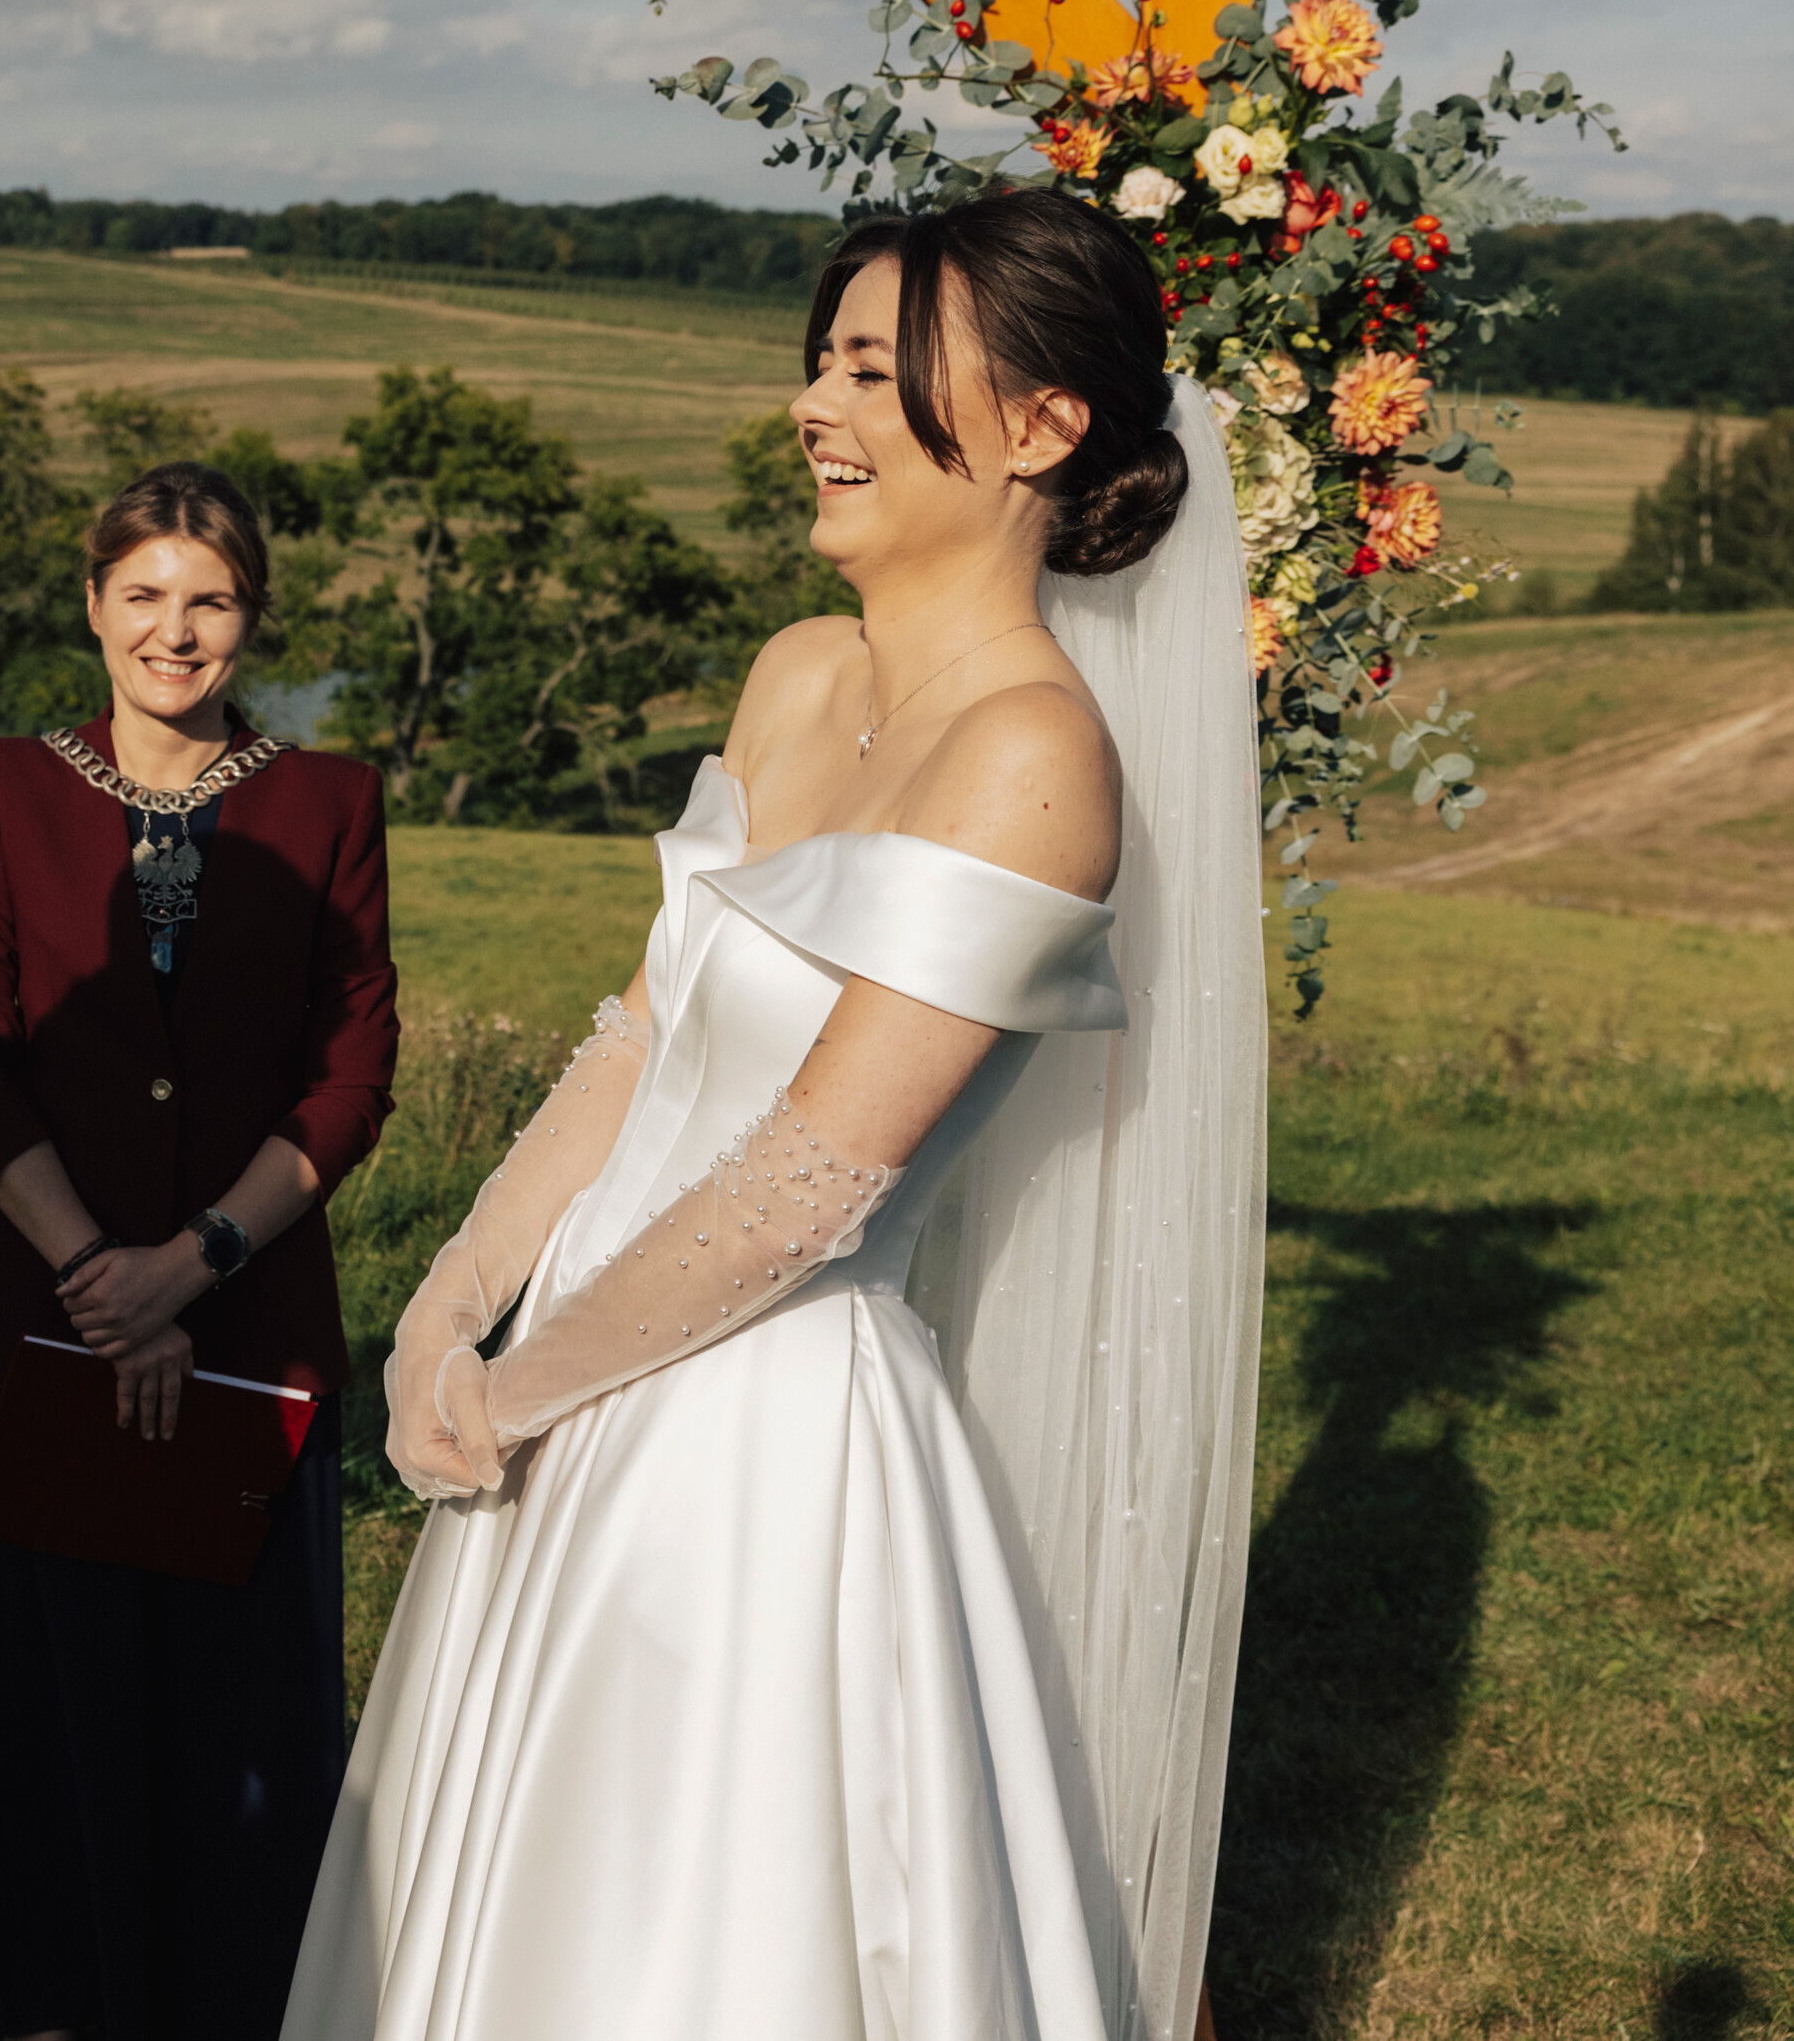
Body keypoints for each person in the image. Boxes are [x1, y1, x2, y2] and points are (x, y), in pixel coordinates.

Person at [287, 187, 1266, 2041]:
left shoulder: (1036, 756)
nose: (814, 404)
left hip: (754, 1445)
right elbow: (643, 1034)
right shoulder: (800, 670)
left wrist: (525, 1382)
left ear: (1043, 426)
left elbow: (812, 1178)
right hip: (572, 1383)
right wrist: (451, 1303)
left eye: (874, 371)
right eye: (820, 361)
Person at [0, 463, 402, 2041]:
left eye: (210, 600)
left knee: (244, 1741)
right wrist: (98, 1280)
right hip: (34, 1334)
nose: (174, 633)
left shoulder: (330, 803)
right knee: (50, 1735)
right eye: (143, 595)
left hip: (248, 1334)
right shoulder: (7, 786)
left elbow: (353, 1072)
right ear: (93, 603)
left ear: (253, 614)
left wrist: (188, 1265)